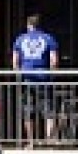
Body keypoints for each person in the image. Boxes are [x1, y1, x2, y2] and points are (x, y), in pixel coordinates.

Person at [11, 13, 60, 141]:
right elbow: (54, 61)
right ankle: (49, 141)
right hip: (44, 79)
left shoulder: (20, 39)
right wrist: (52, 74)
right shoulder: (48, 38)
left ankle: (30, 142)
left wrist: (18, 75)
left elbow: (15, 61)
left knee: (28, 112)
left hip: (27, 79)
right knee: (49, 112)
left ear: (28, 25)